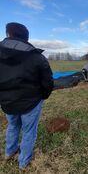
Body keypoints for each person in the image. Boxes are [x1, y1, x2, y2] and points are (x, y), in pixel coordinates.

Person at [0, 22, 53, 169]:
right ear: (26, 37)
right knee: (29, 131)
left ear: (8, 34)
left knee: (13, 126)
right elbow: (48, 81)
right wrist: (44, 95)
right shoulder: (36, 56)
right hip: (31, 101)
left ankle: (9, 152)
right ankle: (23, 162)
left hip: (7, 101)